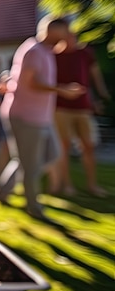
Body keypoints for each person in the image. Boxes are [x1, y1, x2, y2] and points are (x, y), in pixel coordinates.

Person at [0, 15, 86, 221]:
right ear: (53, 31)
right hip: (25, 116)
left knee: (47, 155)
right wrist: (61, 90)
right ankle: (34, 207)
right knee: (31, 164)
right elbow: (32, 82)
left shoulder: (44, 50)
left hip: (40, 117)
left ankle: (2, 191)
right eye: (65, 31)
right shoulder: (34, 50)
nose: (68, 34)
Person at [49, 30, 111, 197]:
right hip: (61, 108)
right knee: (64, 146)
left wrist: (100, 94)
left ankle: (92, 185)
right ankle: (67, 185)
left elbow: (94, 74)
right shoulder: (53, 55)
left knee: (89, 146)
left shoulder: (85, 53)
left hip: (83, 107)